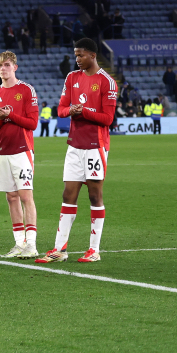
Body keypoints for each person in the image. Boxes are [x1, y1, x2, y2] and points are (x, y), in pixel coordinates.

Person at [37, 39, 117, 264]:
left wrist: (85, 112)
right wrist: (70, 110)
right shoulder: (71, 78)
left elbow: (108, 119)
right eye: (75, 55)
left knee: (94, 195)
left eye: (80, 55)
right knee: (68, 194)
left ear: (92, 55)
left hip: (95, 146)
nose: (77, 59)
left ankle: (94, 250)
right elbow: (61, 109)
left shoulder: (107, 83)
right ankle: (59, 249)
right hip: (74, 145)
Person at [0, 51, 40, 258]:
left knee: (26, 196)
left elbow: (33, 123)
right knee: (11, 197)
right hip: (2, 152)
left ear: (15, 67)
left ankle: (31, 245)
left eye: (7, 65)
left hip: (22, 151)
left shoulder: (26, 90)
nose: (2, 68)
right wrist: (2, 118)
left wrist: (10, 115)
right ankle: (19, 243)